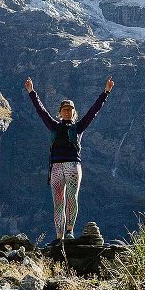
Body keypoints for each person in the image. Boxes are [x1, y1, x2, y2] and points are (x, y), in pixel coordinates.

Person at [24, 76, 114, 242]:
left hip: (72, 165)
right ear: (60, 112)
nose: (67, 111)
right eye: (64, 109)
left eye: (70, 109)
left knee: (72, 198)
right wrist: (31, 92)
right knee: (58, 202)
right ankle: (60, 236)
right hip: (57, 167)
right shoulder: (53, 125)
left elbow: (93, 111)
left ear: (73, 112)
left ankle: (69, 232)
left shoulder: (79, 127)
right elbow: (41, 111)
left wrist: (106, 92)